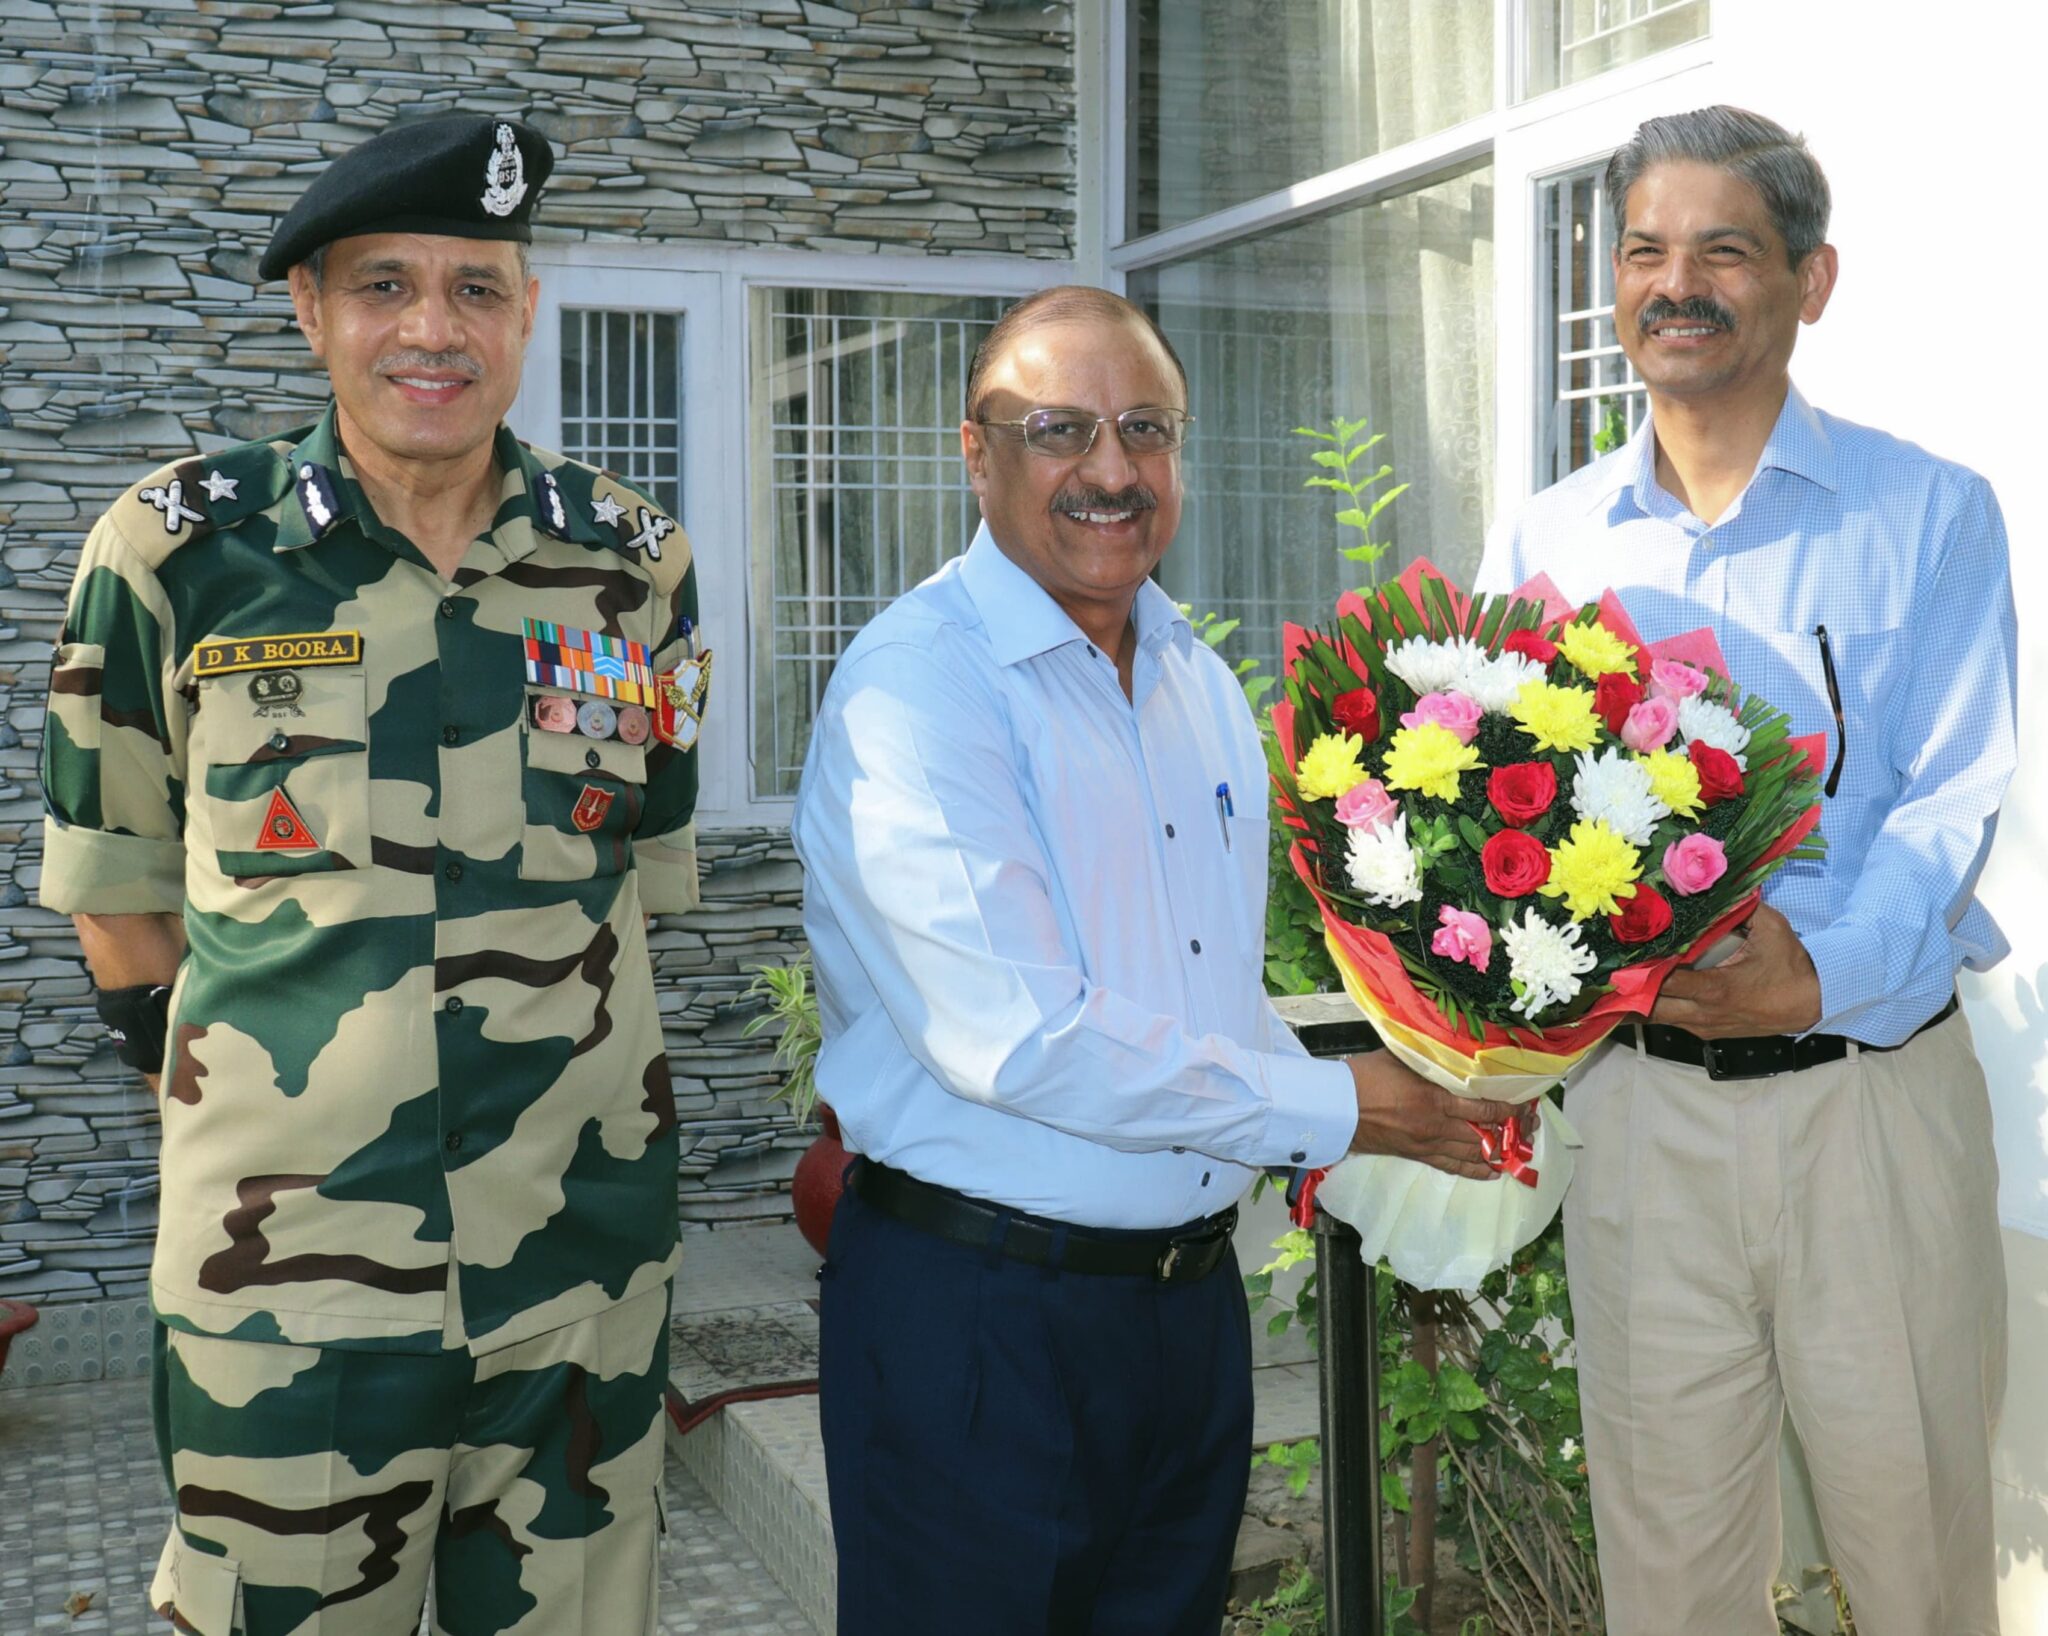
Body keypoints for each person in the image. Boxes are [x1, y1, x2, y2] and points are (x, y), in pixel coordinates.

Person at [39, 113, 708, 1635]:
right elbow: (116, 897)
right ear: (311, 309)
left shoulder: (632, 568)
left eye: (476, 288)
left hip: (577, 1282)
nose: (432, 330)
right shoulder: (175, 558)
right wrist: (273, 1119)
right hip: (289, 1297)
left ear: (527, 311)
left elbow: (636, 874)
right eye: (384, 285)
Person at [791, 285, 1517, 1636]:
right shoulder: (918, 688)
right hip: (980, 1326)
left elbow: (1207, 996)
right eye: (1060, 429)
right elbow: (1018, 1037)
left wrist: (1432, 1089)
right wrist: (1345, 1109)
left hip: (1184, 1323)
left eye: (1146, 428)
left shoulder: (1194, 681)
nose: (1112, 470)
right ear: (976, 452)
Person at [1479, 107, 2013, 1636]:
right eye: (1645, 251)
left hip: (1870, 1106)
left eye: (1723, 250)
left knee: (1912, 1564)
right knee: (1672, 1576)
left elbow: (1951, 797)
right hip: (1642, 1117)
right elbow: (1508, 816)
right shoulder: (1551, 542)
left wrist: (1815, 976)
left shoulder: (1928, 514)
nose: (1676, 284)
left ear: (1809, 280)